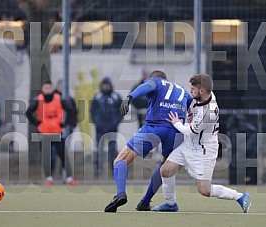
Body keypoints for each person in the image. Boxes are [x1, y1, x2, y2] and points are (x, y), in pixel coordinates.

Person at [152, 73, 251, 213]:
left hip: (204, 150)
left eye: (193, 89)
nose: (190, 91)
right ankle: (170, 204)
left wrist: (177, 123)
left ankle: (240, 196)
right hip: (188, 145)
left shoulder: (208, 112)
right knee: (165, 171)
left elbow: (191, 131)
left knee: (204, 189)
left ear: (202, 91)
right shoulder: (203, 95)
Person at [104, 70, 193, 212]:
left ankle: (120, 193)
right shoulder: (182, 90)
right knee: (164, 166)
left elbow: (148, 86)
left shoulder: (155, 81)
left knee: (121, 159)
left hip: (155, 127)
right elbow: (193, 108)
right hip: (176, 131)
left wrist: (130, 97)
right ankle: (145, 202)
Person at [26, 81, 79, 186]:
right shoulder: (38, 99)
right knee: (47, 157)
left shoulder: (59, 98)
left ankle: (69, 178)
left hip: (57, 132)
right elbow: (28, 113)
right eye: (45, 88)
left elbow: (71, 110)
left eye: (49, 88)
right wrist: (36, 122)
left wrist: (66, 123)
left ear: (52, 88)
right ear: (42, 88)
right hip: (44, 133)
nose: (47, 90)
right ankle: (48, 178)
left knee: (64, 155)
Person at [90, 77, 122, 177]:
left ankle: (114, 171)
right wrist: (97, 123)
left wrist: (115, 123)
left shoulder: (116, 97)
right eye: (104, 84)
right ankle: (98, 171)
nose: (106, 86)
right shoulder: (97, 97)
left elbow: (121, 112)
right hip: (100, 129)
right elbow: (92, 111)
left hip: (112, 128)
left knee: (113, 150)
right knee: (99, 150)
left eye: (107, 84)